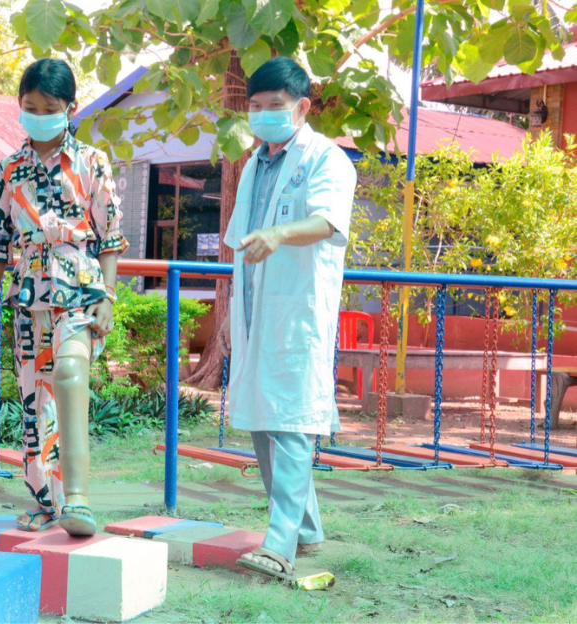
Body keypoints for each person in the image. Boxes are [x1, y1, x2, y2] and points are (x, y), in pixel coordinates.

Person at [0, 58, 127, 537]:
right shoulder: (7, 171)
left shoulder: (91, 162)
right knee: (35, 401)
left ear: (70, 108)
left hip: (80, 284)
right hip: (28, 294)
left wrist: (110, 295)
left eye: (50, 107)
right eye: (30, 106)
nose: (39, 114)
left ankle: (78, 498)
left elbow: (111, 237)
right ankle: (47, 501)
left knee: (69, 371)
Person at [218, 57, 357, 580]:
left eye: (273, 107)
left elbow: (326, 221)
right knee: (260, 417)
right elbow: (239, 240)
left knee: (294, 421)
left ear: (301, 107)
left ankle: (279, 545)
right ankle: (307, 528)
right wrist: (230, 313)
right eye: (254, 107)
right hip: (254, 306)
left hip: (298, 308)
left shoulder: (328, 159)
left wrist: (278, 236)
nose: (262, 115)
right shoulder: (256, 163)